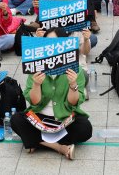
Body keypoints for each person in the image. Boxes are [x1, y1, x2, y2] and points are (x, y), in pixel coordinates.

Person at [10, 27, 93, 160]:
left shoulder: (75, 68)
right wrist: (36, 84)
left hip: (64, 119)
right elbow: (34, 102)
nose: (52, 46)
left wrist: (73, 85)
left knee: (85, 128)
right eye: (48, 42)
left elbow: (74, 103)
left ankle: (34, 142)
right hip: (39, 118)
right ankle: (59, 147)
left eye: (56, 42)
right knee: (16, 120)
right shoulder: (36, 66)